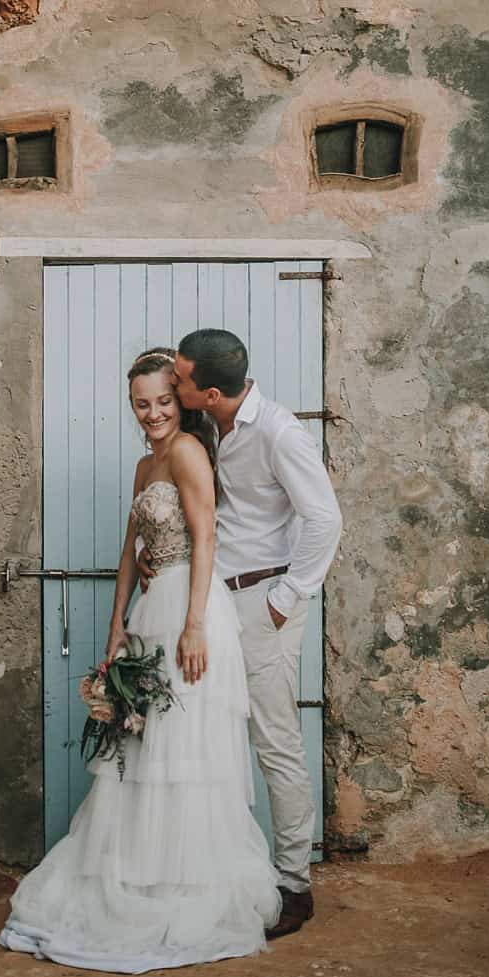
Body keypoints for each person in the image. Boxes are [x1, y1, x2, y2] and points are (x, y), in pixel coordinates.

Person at [0, 347, 281, 972]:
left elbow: (205, 537)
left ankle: (183, 883)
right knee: (145, 747)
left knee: (183, 749)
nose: (152, 413)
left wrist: (195, 624)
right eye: (140, 404)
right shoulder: (144, 464)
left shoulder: (188, 451)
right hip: (152, 613)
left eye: (162, 401)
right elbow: (131, 551)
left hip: (189, 610)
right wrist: (115, 627)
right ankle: (140, 872)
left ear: (180, 401)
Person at [144, 328, 342, 940]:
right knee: (208, 733)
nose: (171, 383)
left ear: (209, 392)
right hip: (217, 600)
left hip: (264, 600)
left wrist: (286, 599)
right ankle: (216, 870)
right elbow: (208, 518)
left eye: (179, 379)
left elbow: (325, 518)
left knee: (274, 741)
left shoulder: (279, 432)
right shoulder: (213, 426)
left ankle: (294, 885)